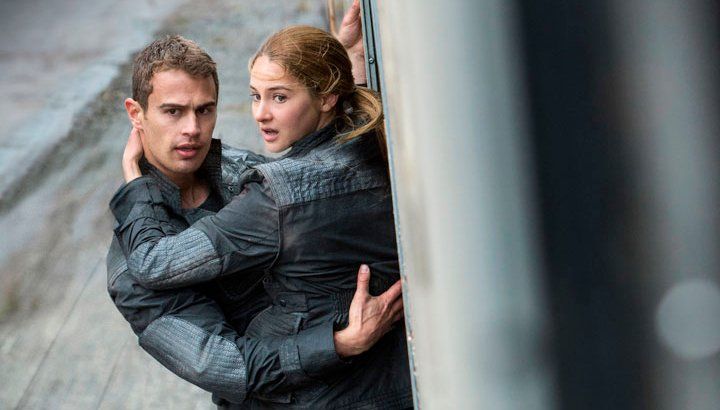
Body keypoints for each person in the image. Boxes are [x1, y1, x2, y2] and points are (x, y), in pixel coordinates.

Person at [107, 5, 405, 408]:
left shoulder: (243, 170)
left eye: (204, 110)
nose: (192, 129)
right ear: (136, 114)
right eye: (172, 111)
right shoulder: (130, 270)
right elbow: (227, 366)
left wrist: (340, 64)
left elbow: (322, 172)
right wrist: (339, 343)